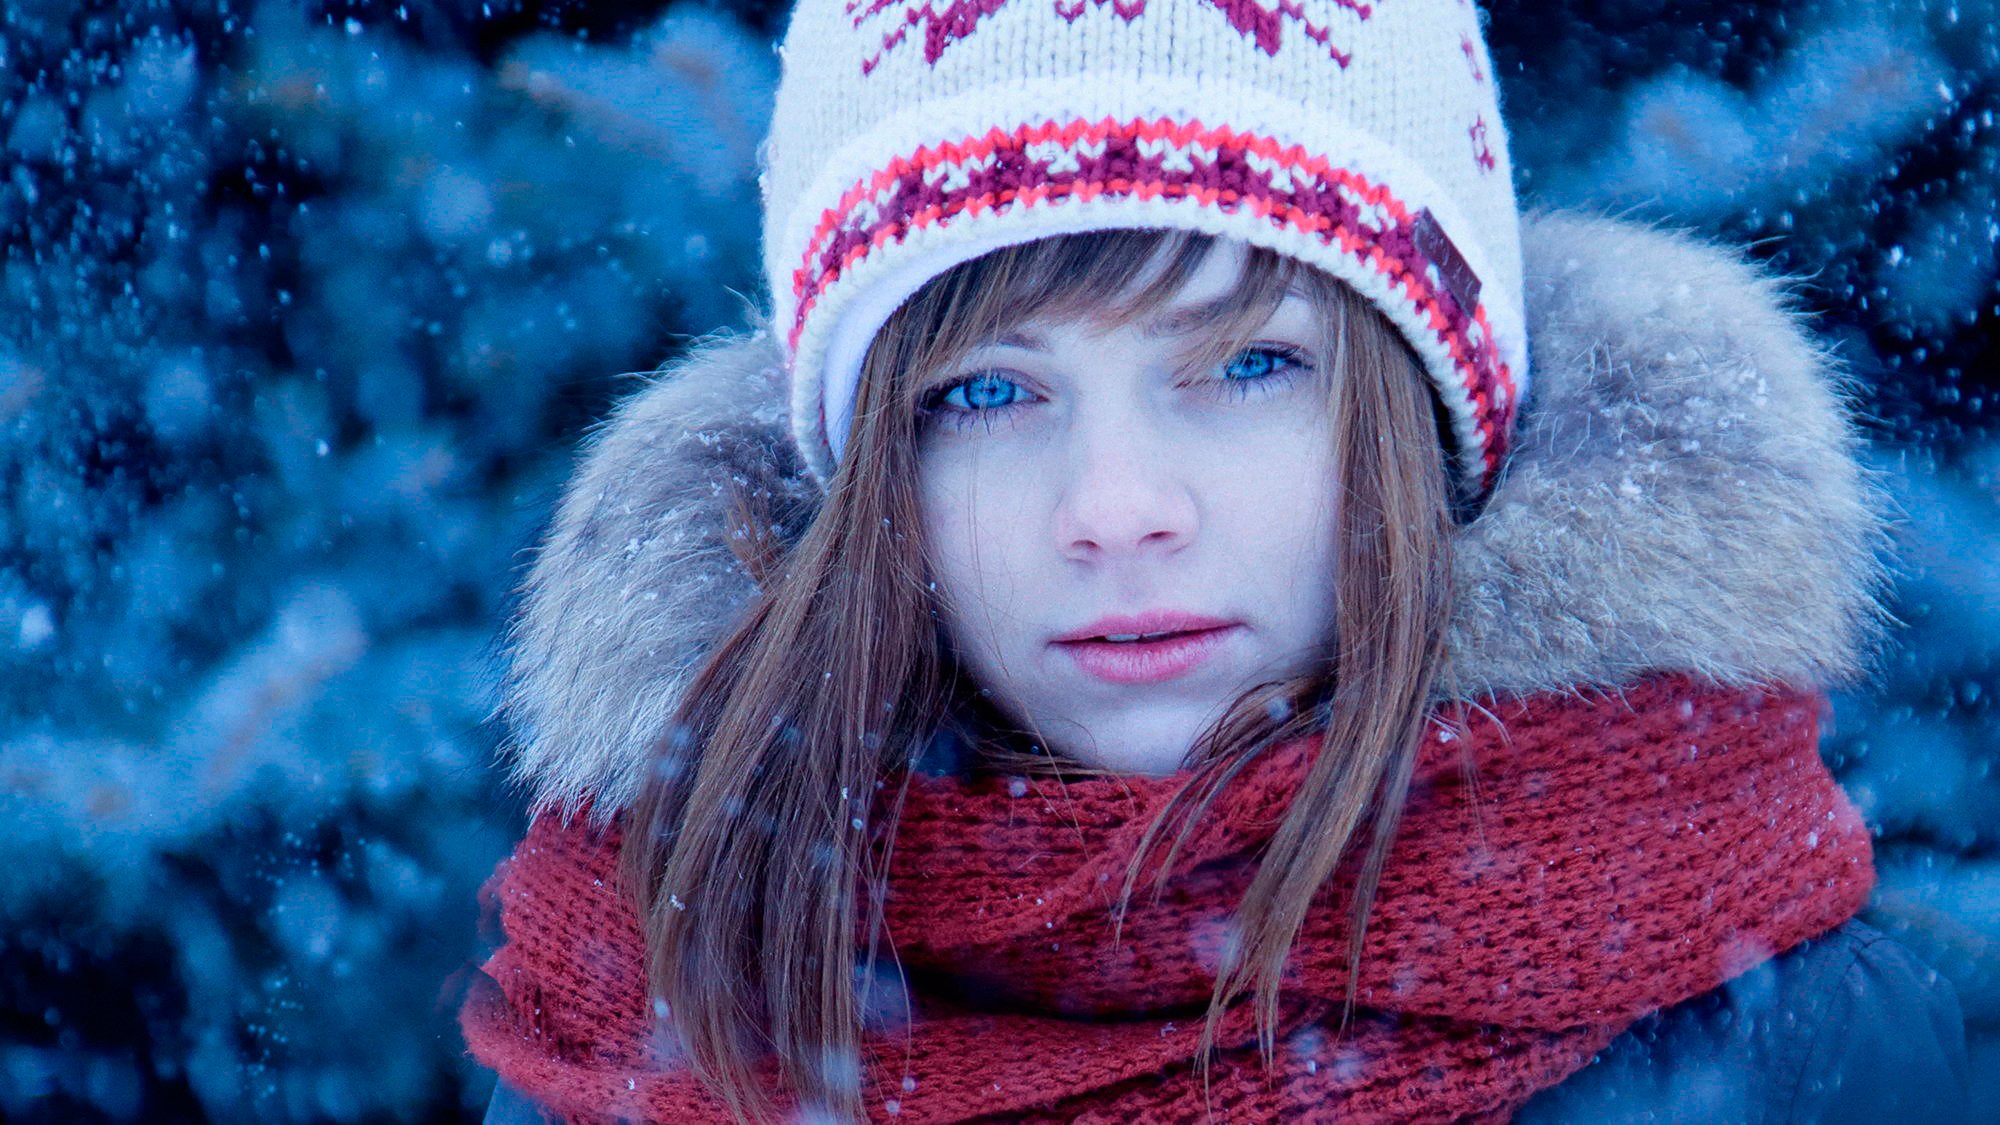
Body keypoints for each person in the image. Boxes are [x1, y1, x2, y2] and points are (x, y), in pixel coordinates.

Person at [458, 1, 1971, 1121]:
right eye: (984, 391)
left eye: (1247, 362)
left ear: (1427, 421)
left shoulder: (1800, 1044)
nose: (1114, 508)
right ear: (871, 488)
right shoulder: (654, 1016)